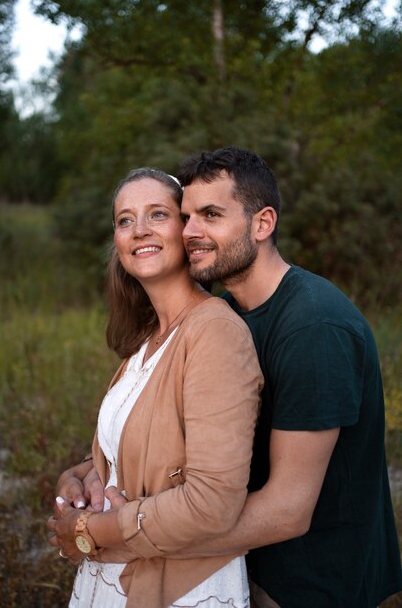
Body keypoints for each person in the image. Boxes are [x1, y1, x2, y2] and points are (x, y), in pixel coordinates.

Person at [55, 148, 402, 608]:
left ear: (262, 224)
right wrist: (88, 471)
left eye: (211, 215)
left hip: (312, 580)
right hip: (244, 563)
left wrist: (115, 536)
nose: (192, 230)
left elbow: (287, 512)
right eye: (187, 215)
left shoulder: (315, 328)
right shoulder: (231, 313)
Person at [47, 167, 263, 608]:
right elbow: (145, 446)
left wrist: (89, 532)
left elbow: (212, 504)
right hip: (116, 576)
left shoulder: (215, 332)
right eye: (125, 220)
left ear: (186, 230)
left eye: (157, 214)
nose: (139, 229)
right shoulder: (147, 339)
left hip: (179, 587)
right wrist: (81, 476)